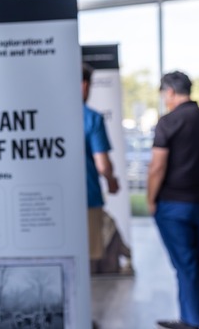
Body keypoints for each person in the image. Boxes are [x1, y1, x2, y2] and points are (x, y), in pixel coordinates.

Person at [148, 71, 199, 329]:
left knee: (185, 263)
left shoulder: (168, 122)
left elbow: (157, 167)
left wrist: (151, 200)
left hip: (174, 205)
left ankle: (190, 320)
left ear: (170, 92)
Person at [82, 62, 120, 274]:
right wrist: (112, 182)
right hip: (88, 198)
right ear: (84, 85)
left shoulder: (47, 115)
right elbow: (103, 164)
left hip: (53, 202)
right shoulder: (91, 118)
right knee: (87, 260)